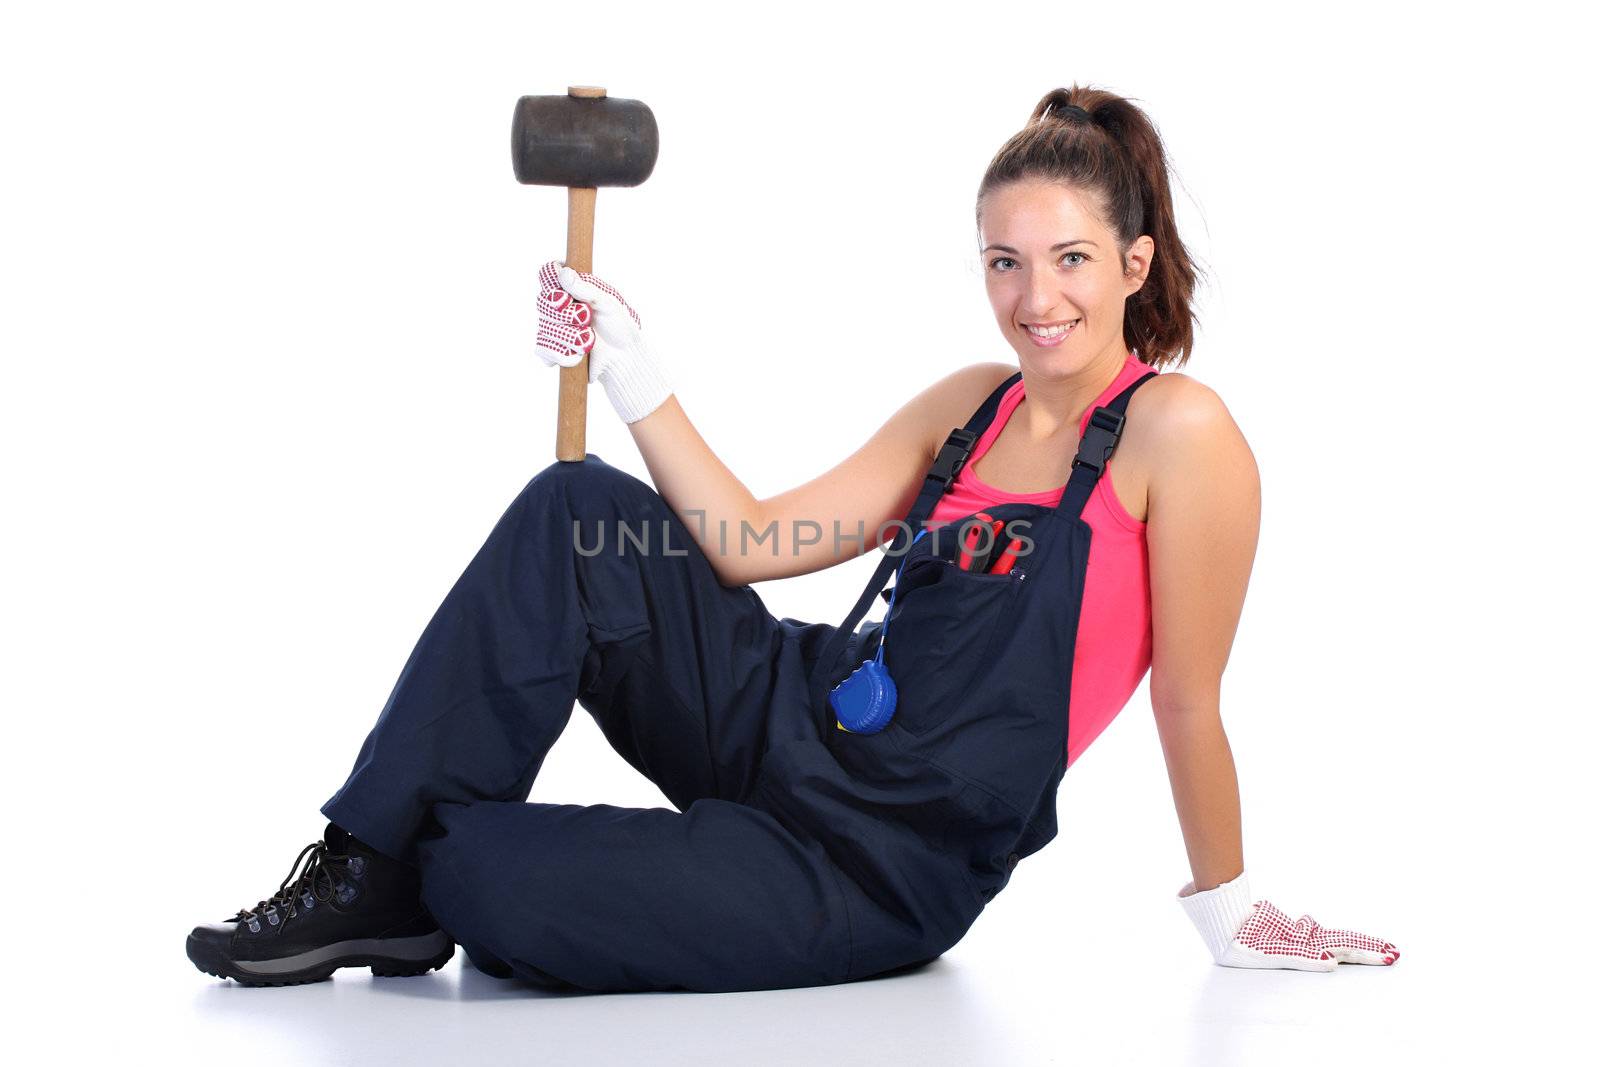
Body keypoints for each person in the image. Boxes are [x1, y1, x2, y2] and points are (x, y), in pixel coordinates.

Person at [186, 84, 1398, 990]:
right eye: (1006, 262)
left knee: (484, 876)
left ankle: (429, 871)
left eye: (1072, 259)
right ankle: (366, 871)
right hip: (788, 714)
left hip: (882, 859)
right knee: (577, 514)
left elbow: (1189, 698)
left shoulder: (1179, 434)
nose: (1039, 299)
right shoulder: (968, 405)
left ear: (1133, 263)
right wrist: (629, 364)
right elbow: (756, 541)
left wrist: (1232, 909)